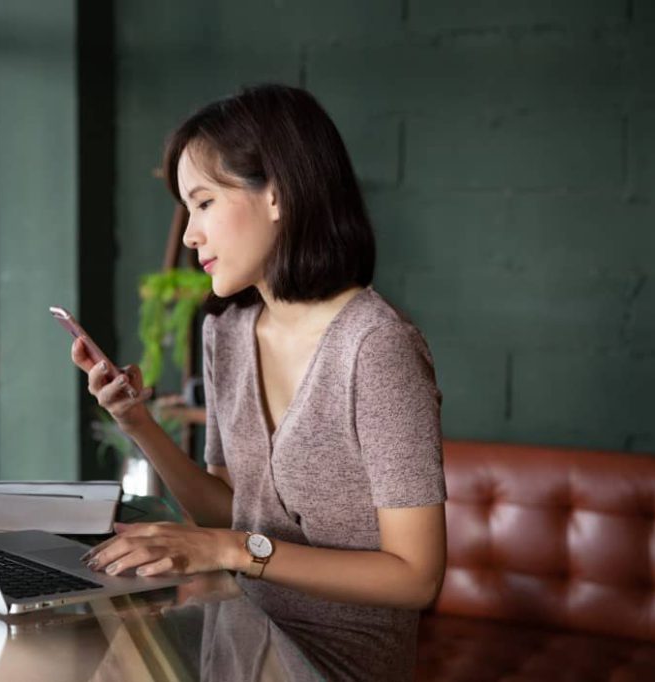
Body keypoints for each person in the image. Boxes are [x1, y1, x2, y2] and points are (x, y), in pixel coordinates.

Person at [70, 84, 447, 681]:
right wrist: (136, 421)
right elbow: (228, 514)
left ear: (277, 194)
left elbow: (417, 576)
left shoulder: (376, 347)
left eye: (204, 203)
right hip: (239, 641)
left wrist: (233, 551)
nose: (191, 234)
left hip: (335, 667)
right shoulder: (226, 332)